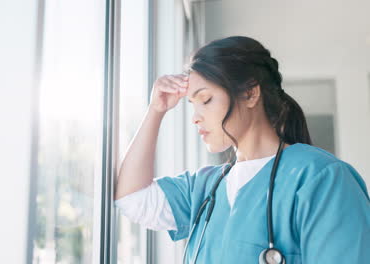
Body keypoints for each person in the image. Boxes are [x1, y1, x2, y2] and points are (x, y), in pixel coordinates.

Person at [113, 36, 370, 263]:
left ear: (249, 94)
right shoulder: (204, 188)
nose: (195, 117)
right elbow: (131, 199)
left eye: (206, 100)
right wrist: (155, 110)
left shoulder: (322, 179)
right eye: (192, 104)